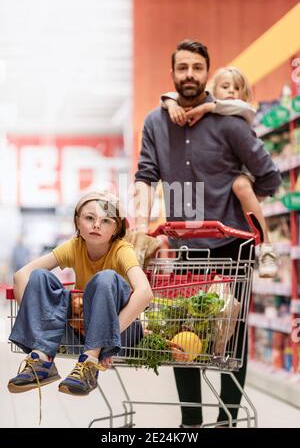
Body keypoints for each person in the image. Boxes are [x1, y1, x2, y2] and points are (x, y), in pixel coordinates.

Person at [134, 40, 281, 427]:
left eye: (197, 68)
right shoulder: (155, 123)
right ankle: (191, 422)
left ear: (207, 73)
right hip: (187, 247)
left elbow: (270, 176)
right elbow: (146, 176)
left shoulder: (229, 124)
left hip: (232, 246)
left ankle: (227, 418)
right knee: (182, 333)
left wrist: (238, 194)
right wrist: (139, 227)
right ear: (173, 74)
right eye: (182, 68)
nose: (189, 75)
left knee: (230, 338)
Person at [8, 191, 153, 397]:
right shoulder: (75, 246)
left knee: (105, 279)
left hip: (122, 332)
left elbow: (145, 293)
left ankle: (90, 362)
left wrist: (106, 337)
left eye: (106, 221)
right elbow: (21, 276)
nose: (96, 225)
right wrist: (37, 331)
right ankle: (42, 361)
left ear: (116, 228)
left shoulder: (122, 250)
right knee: (39, 276)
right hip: (82, 330)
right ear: (77, 221)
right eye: (89, 218)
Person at [160, 66, 277, 278]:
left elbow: (236, 107)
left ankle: (266, 247)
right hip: (200, 226)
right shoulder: (205, 120)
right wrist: (170, 103)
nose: (232, 91)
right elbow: (168, 96)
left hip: (241, 177)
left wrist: (208, 107)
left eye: (238, 88)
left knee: (241, 186)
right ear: (213, 90)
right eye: (225, 86)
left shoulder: (240, 112)